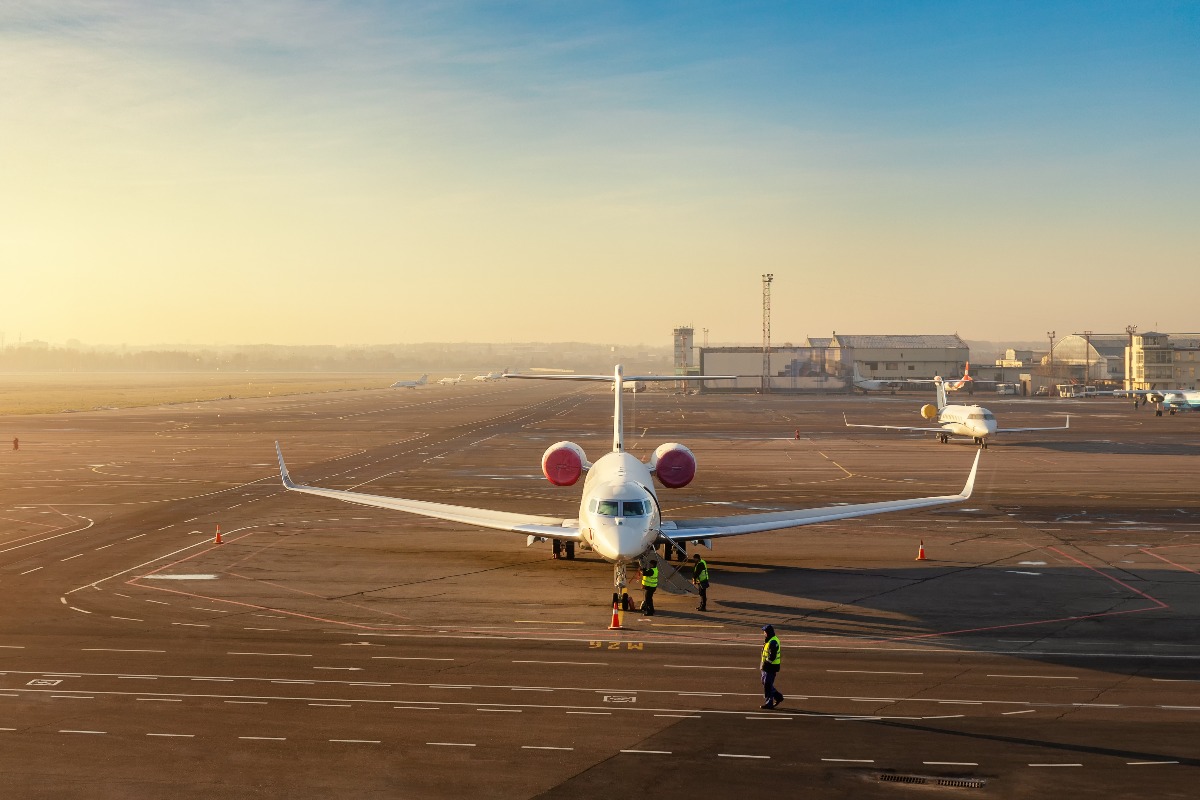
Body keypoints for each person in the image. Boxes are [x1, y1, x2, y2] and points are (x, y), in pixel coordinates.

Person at [759, 625, 784, 709]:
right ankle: (778, 697)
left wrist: (766, 663)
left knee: (767, 684)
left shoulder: (773, 642)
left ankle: (769, 702)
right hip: (765, 666)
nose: (764, 633)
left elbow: (772, 656)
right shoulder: (769, 640)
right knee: (765, 682)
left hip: (770, 667)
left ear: (768, 633)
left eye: (765, 632)